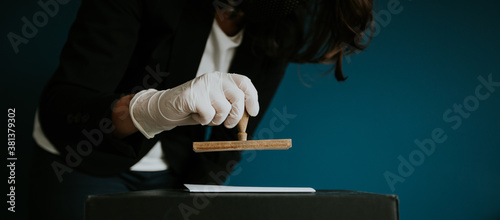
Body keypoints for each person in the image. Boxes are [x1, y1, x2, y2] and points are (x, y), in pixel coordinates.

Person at [28, 0, 374, 219]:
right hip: (83, 157)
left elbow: (233, 139)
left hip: (175, 170)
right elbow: (65, 106)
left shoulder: (277, 22)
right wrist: (151, 108)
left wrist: (202, 198)